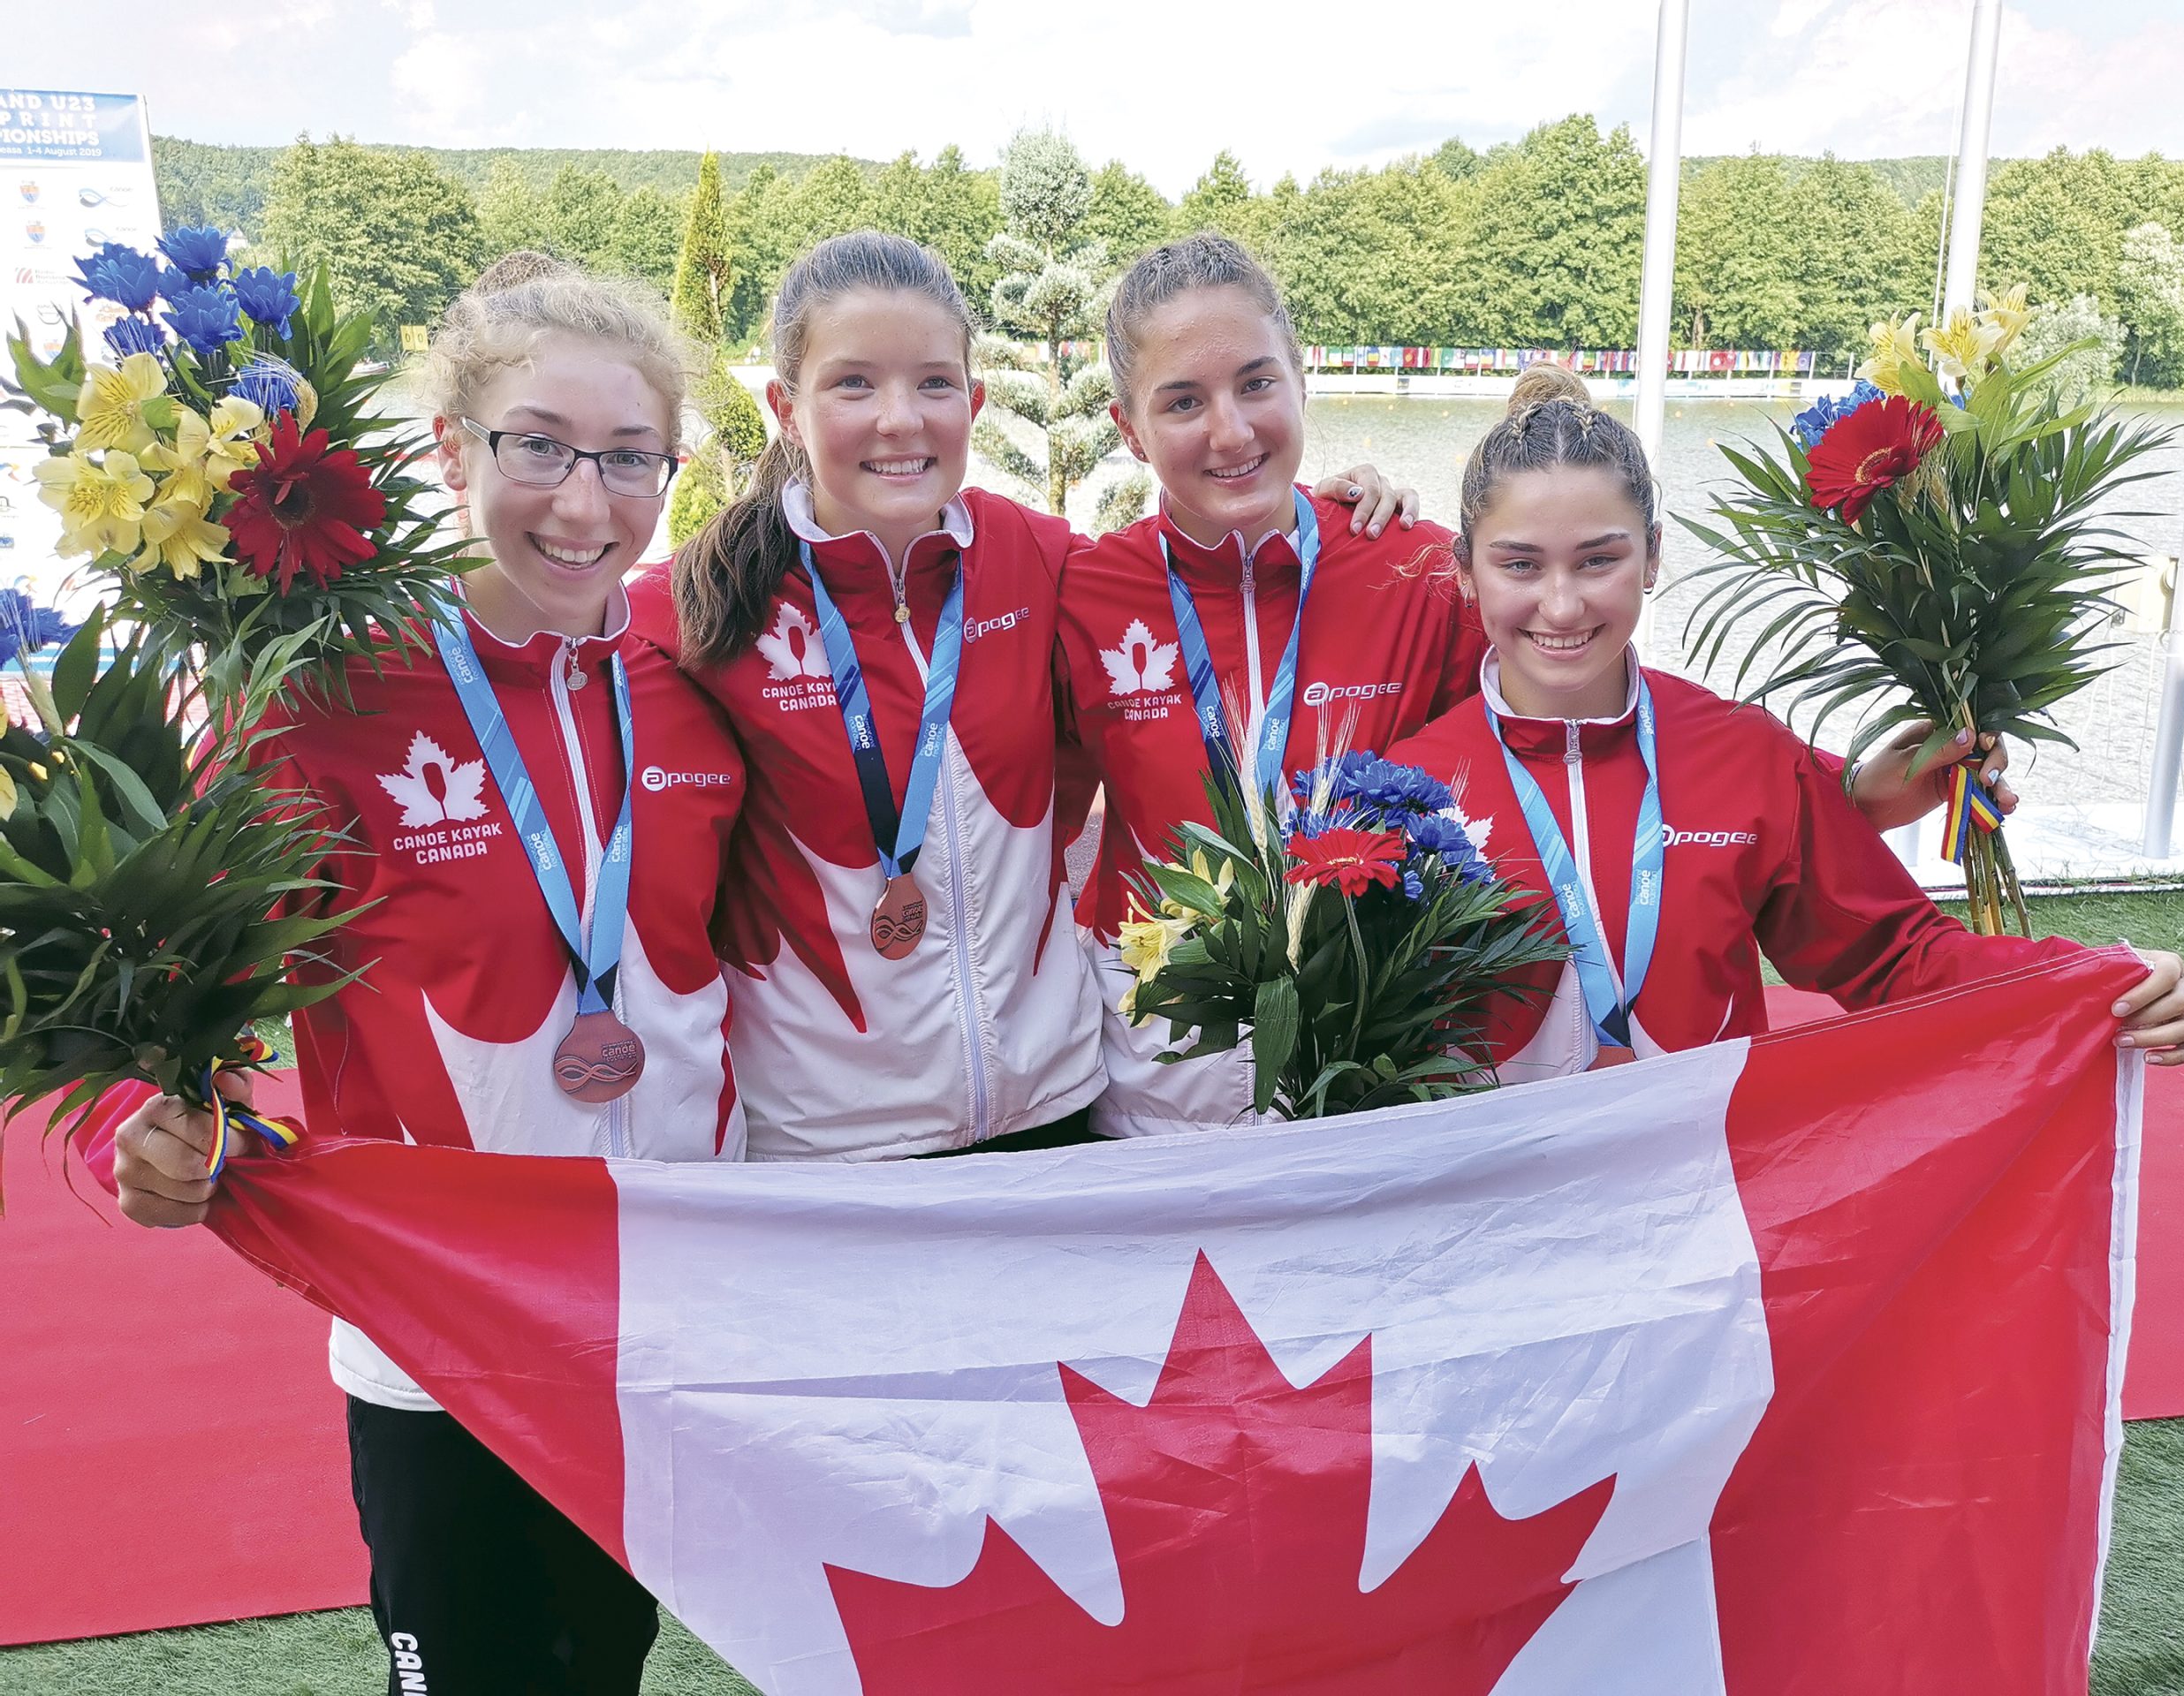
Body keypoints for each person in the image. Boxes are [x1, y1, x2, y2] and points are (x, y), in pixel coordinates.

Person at [100, 254, 745, 1694]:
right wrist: (136, 1133)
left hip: (663, 1327)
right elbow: (151, 966)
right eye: (539, 448)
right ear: (453, 450)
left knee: (604, 1665)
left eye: (629, 457)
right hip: (437, 1352)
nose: (585, 504)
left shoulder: (704, 680)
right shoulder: (327, 697)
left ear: (672, 470)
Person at [1053, 236, 2021, 1137]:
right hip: (1162, 1061)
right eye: (1182, 400)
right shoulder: (1082, 589)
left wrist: (1845, 785)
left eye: (1255, 382)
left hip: (1372, 1071)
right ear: (1128, 429)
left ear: (1300, 374)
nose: (1229, 429)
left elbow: (1602, 701)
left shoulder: (1412, 568)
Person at [633, 231, 1411, 1161]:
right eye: (852, 384)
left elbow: (1202, 566)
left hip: (1055, 1108)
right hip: (824, 1139)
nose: (899, 420)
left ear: (974, 400)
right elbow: (534, 634)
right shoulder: (694, 606)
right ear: (785, 409)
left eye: (932, 382)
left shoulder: (1036, 563)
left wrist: (1329, 510)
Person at [1381, 363, 2184, 1079]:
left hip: (1708, 1209)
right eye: (1519, 563)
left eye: (1601, 559)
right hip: (1486, 1224)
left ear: (1655, 554)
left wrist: (2101, 979)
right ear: (1463, 571)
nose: (1561, 603)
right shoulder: (1402, 793)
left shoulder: (1748, 754)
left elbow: (1899, 954)